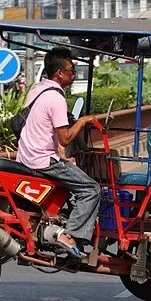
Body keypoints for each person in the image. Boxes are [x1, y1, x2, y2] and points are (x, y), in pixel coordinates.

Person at [15, 47, 100, 260]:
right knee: (91, 189)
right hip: (42, 160)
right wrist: (83, 121)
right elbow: (65, 139)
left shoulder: (37, 90)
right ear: (60, 73)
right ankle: (70, 236)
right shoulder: (56, 98)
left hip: (25, 156)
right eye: (72, 70)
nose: (74, 74)